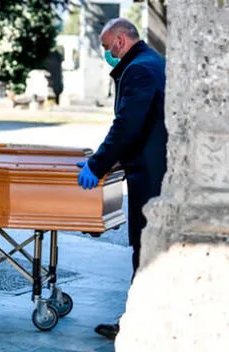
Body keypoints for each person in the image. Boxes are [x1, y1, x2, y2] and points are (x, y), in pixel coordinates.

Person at [77, 18, 167, 340]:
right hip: (156, 169)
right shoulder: (153, 61)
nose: (106, 54)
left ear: (119, 42)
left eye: (105, 47)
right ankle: (141, 318)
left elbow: (128, 126)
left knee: (145, 248)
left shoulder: (139, 69)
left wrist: (97, 164)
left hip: (150, 173)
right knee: (150, 249)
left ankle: (137, 324)